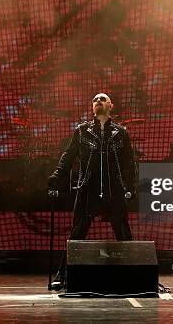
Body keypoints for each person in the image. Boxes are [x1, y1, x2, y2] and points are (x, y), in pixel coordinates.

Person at [48, 93, 137, 284]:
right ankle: (63, 276)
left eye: (103, 99)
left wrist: (130, 186)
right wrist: (57, 175)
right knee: (77, 232)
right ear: (92, 106)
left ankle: (135, 275)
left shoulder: (120, 132)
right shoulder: (82, 131)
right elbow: (68, 156)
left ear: (110, 105)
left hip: (114, 188)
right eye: (96, 100)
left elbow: (129, 162)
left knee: (123, 230)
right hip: (88, 187)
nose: (99, 101)